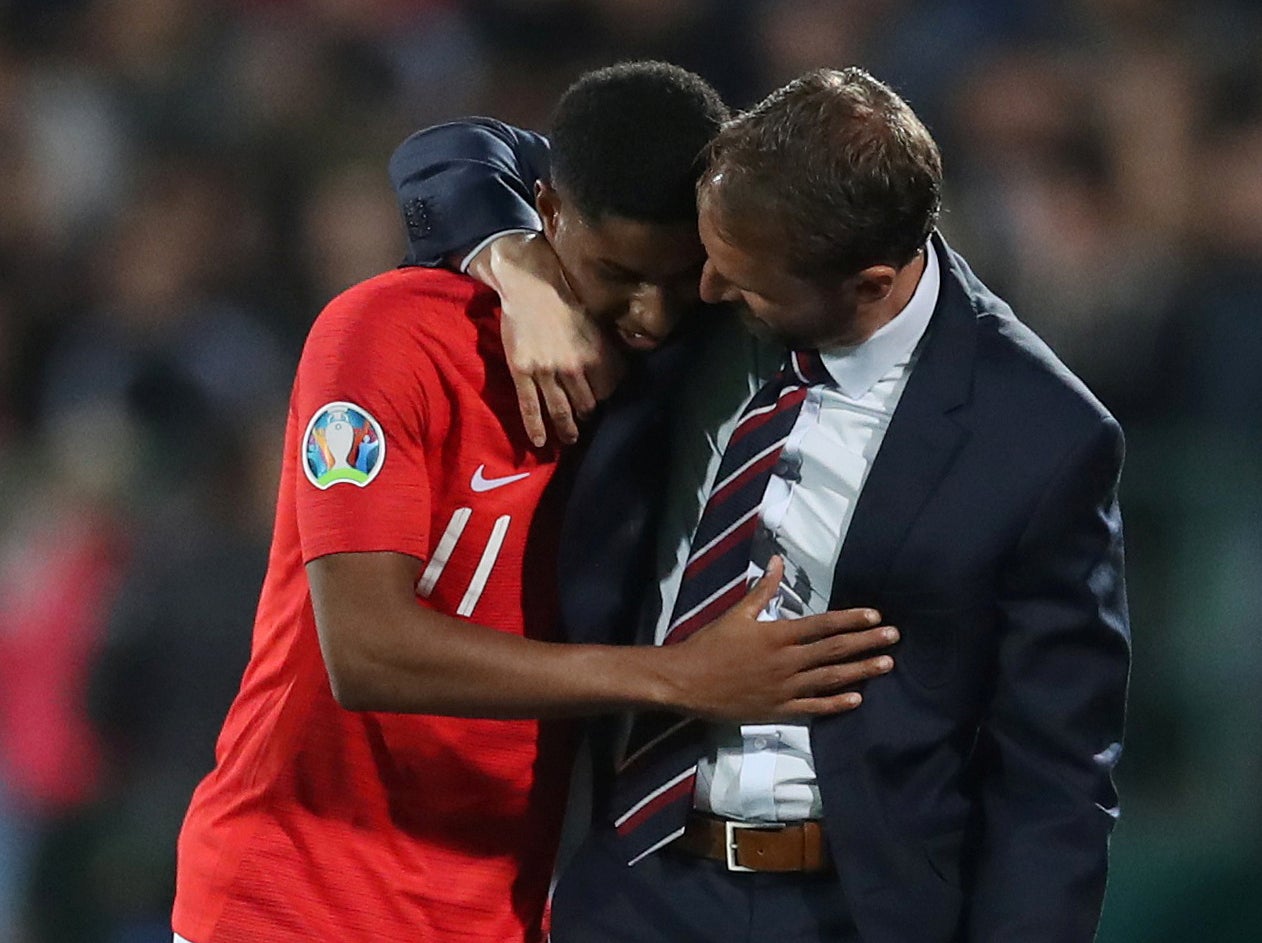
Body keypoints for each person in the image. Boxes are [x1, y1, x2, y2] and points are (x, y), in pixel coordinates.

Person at [388, 66, 1130, 942]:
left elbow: (1055, 779)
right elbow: (451, 157)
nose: (698, 293)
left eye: (741, 283)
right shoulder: (737, 221)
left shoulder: (1040, 435)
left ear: (867, 282)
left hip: (850, 910)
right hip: (632, 883)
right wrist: (517, 269)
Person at [170, 62, 898, 943]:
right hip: (292, 901)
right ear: (549, 214)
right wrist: (683, 678)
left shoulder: (672, 378)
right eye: (621, 274)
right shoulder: (391, 334)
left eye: (681, 280)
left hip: (498, 915)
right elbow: (363, 649)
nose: (653, 314)